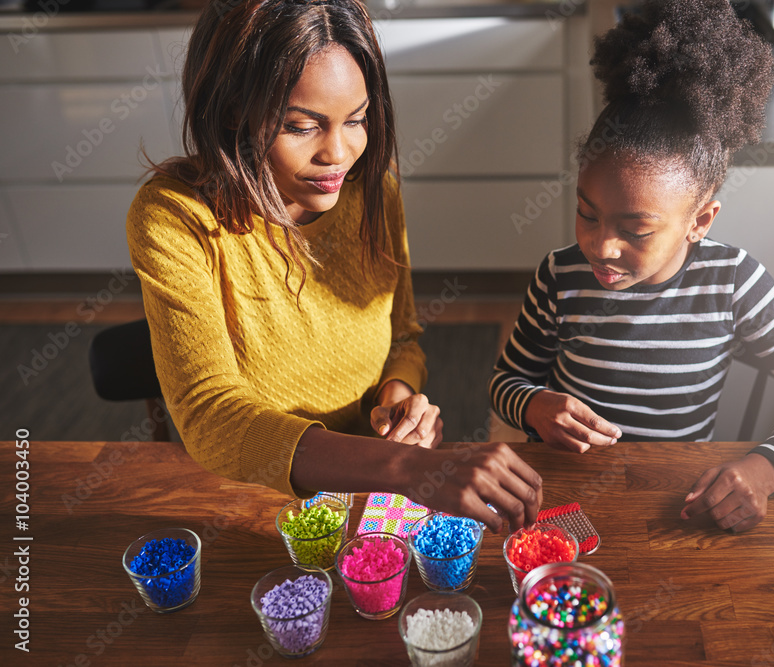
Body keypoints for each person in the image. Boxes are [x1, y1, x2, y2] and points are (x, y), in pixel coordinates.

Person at [126, 0, 540, 532]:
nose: (340, 154)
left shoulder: (373, 192)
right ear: (233, 112)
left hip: (373, 481)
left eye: (358, 119)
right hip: (251, 496)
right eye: (301, 127)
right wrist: (409, 467)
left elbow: (404, 339)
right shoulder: (173, 218)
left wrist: (399, 397)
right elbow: (210, 416)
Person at [490, 0, 774, 532]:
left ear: (700, 221)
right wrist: (532, 406)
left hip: (672, 507)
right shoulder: (559, 276)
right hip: (562, 500)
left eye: (636, 231)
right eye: (586, 214)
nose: (602, 246)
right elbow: (506, 379)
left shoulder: (733, 283)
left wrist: (766, 468)